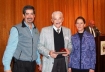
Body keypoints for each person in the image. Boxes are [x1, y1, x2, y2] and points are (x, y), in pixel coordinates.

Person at [2, 5, 42, 72]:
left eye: (31, 14)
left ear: (34, 16)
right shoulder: (16, 29)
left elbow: (36, 48)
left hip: (32, 64)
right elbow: (10, 48)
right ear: (23, 15)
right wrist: (7, 67)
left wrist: (39, 62)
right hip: (20, 64)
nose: (29, 16)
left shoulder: (36, 30)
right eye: (27, 14)